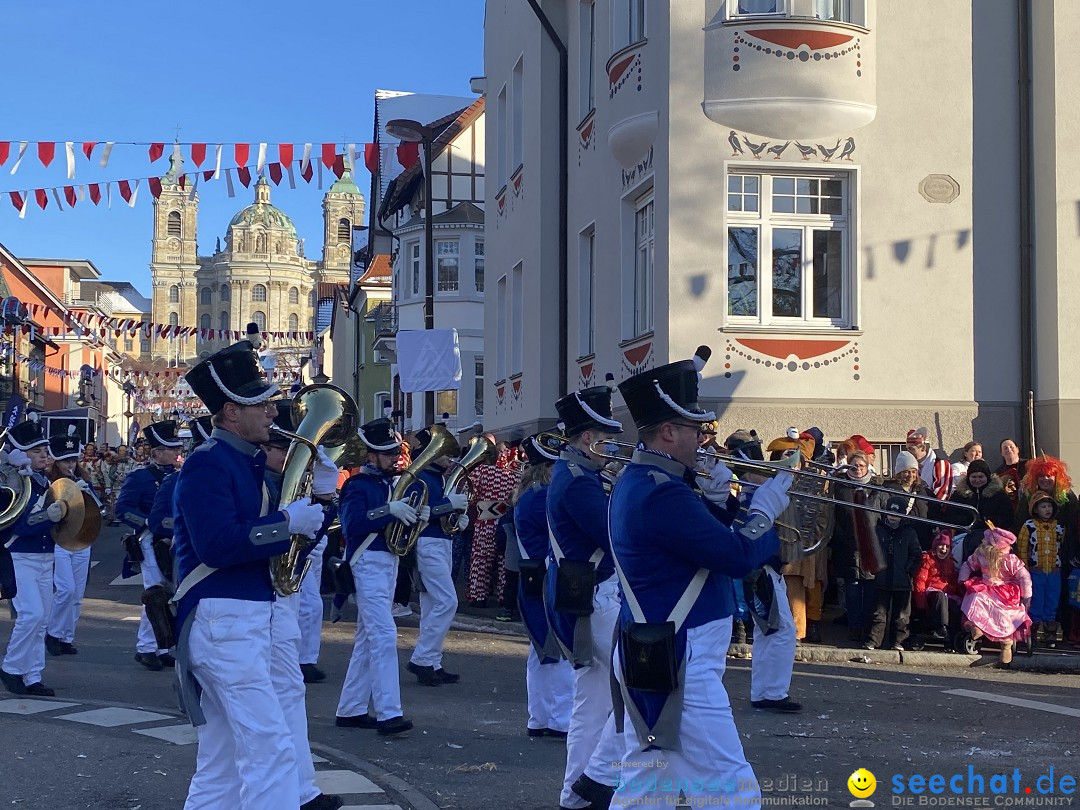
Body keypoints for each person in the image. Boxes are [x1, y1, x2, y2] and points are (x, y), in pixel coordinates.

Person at [609, 347, 791, 808]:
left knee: (647, 788)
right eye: (695, 429)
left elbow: (701, 537)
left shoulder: (649, 481)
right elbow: (735, 556)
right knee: (732, 791)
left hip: (658, 648)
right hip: (681, 657)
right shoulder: (663, 494)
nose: (703, 440)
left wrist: (724, 502)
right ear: (668, 431)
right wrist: (763, 512)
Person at [173, 341, 327, 809]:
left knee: (220, 762)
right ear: (229, 412)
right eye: (260, 403)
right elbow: (217, 545)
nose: (272, 410)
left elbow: (279, 545)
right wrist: (286, 524)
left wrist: (317, 511)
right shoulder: (208, 463)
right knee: (272, 750)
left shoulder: (248, 463)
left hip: (240, 621)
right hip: (224, 621)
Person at [261, 402, 344, 810]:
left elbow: (306, 543)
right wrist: (286, 522)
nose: (290, 458)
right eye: (284, 449)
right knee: (272, 701)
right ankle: (288, 792)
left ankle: (301, 788)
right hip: (261, 602)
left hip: (281, 601)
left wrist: (323, 502)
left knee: (289, 692)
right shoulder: (260, 483)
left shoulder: (283, 485)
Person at [545, 384, 624, 810]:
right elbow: (616, 536)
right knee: (642, 692)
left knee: (591, 705)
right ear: (589, 440)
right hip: (599, 599)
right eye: (608, 439)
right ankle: (598, 780)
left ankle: (575, 796)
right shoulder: (579, 482)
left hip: (589, 596)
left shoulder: (578, 475)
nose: (613, 448)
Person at [334, 417, 420, 736]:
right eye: (387, 453)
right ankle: (388, 713)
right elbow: (351, 525)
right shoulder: (357, 485)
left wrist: (419, 516)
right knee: (384, 635)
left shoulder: (391, 484)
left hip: (387, 562)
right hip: (366, 562)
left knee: (367, 638)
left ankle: (351, 708)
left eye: (395, 450)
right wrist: (388, 511)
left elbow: (398, 523)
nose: (395, 457)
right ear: (370, 456)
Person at [722, 429, 801, 712]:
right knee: (779, 632)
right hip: (760, 571)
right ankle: (771, 693)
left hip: (768, 569)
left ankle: (767, 692)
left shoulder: (755, 492)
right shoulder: (751, 496)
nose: (765, 473)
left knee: (772, 631)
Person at [0, 417, 67, 696]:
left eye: (45, 451)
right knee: (31, 615)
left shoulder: (41, 481)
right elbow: (15, 524)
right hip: (19, 556)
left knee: (43, 619)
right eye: (38, 451)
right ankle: (11, 669)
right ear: (20, 453)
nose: (45, 456)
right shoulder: (12, 481)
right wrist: (47, 516)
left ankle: (33, 676)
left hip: (44, 556)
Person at [513, 433, 574, 738]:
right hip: (546, 580)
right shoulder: (541, 498)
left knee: (541, 653)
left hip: (534, 579)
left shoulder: (531, 494)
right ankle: (561, 719)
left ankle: (540, 718)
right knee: (560, 649)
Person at [116, 420, 185, 671]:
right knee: (156, 594)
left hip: (173, 541)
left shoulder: (179, 476)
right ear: (156, 452)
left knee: (170, 593)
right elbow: (122, 509)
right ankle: (146, 647)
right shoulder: (141, 477)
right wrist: (148, 522)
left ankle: (162, 646)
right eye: (171, 448)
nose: (177, 452)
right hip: (149, 540)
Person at [405, 427, 469, 686]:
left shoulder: (437, 478)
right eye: (442, 453)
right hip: (427, 543)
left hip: (440, 541)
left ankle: (432, 662)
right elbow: (418, 512)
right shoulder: (419, 477)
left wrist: (456, 518)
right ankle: (422, 659)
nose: (449, 457)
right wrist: (448, 506)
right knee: (447, 602)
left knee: (432, 605)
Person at [44, 428, 95, 657]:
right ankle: (52, 634)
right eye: (65, 461)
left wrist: (87, 495)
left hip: (81, 538)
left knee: (77, 593)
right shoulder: (48, 482)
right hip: (59, 540)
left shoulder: (82, 479)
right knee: (65, 589)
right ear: (56, 461)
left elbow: (94, 510)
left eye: (73, 460)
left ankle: (67, 636)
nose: (70, 465)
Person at [831, 450, 885, 643]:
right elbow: (834, 516)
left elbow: (883, 516)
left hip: (872, 546)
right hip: (848, 546)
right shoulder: (840, 487)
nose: (858, 469)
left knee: (870, 590)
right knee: (852, 590)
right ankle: (854, 626)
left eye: (861, 466)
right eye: (854, 466)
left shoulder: (877, 488)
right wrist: (842, 538)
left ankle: (869, 628)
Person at [960, 527, 1032, 668]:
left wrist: (1025, 596)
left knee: (993, 607)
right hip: (990, 587)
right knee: (976, 597)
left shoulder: (1008, 560)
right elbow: (1025, 577)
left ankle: (1005, 644)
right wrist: (1026, 596)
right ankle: (978, 627)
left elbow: (1024, 577)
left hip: (1002, 589)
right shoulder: (981, 555)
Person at [864, 496, 922, 651]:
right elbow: (871, 550)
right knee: (878, 613)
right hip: (882, 578)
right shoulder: (879, 529)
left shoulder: (909, 532)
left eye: (897, 514)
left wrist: (908, 571)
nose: (893, 517)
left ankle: (898, 641)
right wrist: (875, 569)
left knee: (902, 615)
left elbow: (916, 554)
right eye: (890, 513)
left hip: (902, 580)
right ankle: (874, 640)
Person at [1016, 492, 1065, 647]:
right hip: (1035, 570)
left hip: (1054, 570)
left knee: (1052, 598)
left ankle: (1050, 630)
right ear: (1036, 509)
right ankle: (1034, 629)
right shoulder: (1029, 526)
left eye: (1049, 506)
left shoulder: (1059, 526)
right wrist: (1024, 566)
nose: (1047, 509)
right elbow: (1022, 547)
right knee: (1036, 599)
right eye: (1043, 506)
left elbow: (1062, 547)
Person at [948, 459, 1014, 560]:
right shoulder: (959, 495)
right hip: (965, 536)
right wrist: (968, 520)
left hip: (992, 537)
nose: (977, 480)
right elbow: (950, 515)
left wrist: (989, 521)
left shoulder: (998, 494)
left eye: (981, 477)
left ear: (987, 476)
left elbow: (1007, 517)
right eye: (974, 477)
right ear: (968, 477)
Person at [913, 529, 963, 645]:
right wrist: (920, 602)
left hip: (946, 592)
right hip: (931, 594)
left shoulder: (950, 562)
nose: (944, 549)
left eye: (947, 547)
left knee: (955, 604)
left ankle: (953, 635)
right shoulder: (928, 559)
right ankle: (940, 627)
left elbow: (953, 581)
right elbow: (920, 580)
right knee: (939, 596)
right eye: (941, 546)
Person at [906, 427, 954, 500]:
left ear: (923, 448)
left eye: (911, 449)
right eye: (907, 449)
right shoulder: (908, 466)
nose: (908, 452)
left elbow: (942, 493)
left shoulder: (940, 464)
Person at [105, 444, 138, 526]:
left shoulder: (131, 461)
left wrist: (127, 478)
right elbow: (110, 473)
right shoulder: (114, 462)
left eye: (124, 450)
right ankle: (113, 518)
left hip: (127, 486)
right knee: (114, 502)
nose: (122, 452)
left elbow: (134, 472)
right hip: (116, 486)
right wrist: (116, 478)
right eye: (120, 450)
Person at [996, 438, 1028, 511]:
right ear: (1002, 453)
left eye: (1011, 447)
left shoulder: (1028, 465)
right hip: (1009, 507)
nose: (1009, 449)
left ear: (1017, 449)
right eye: (1005, 448)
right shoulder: (998, 472)